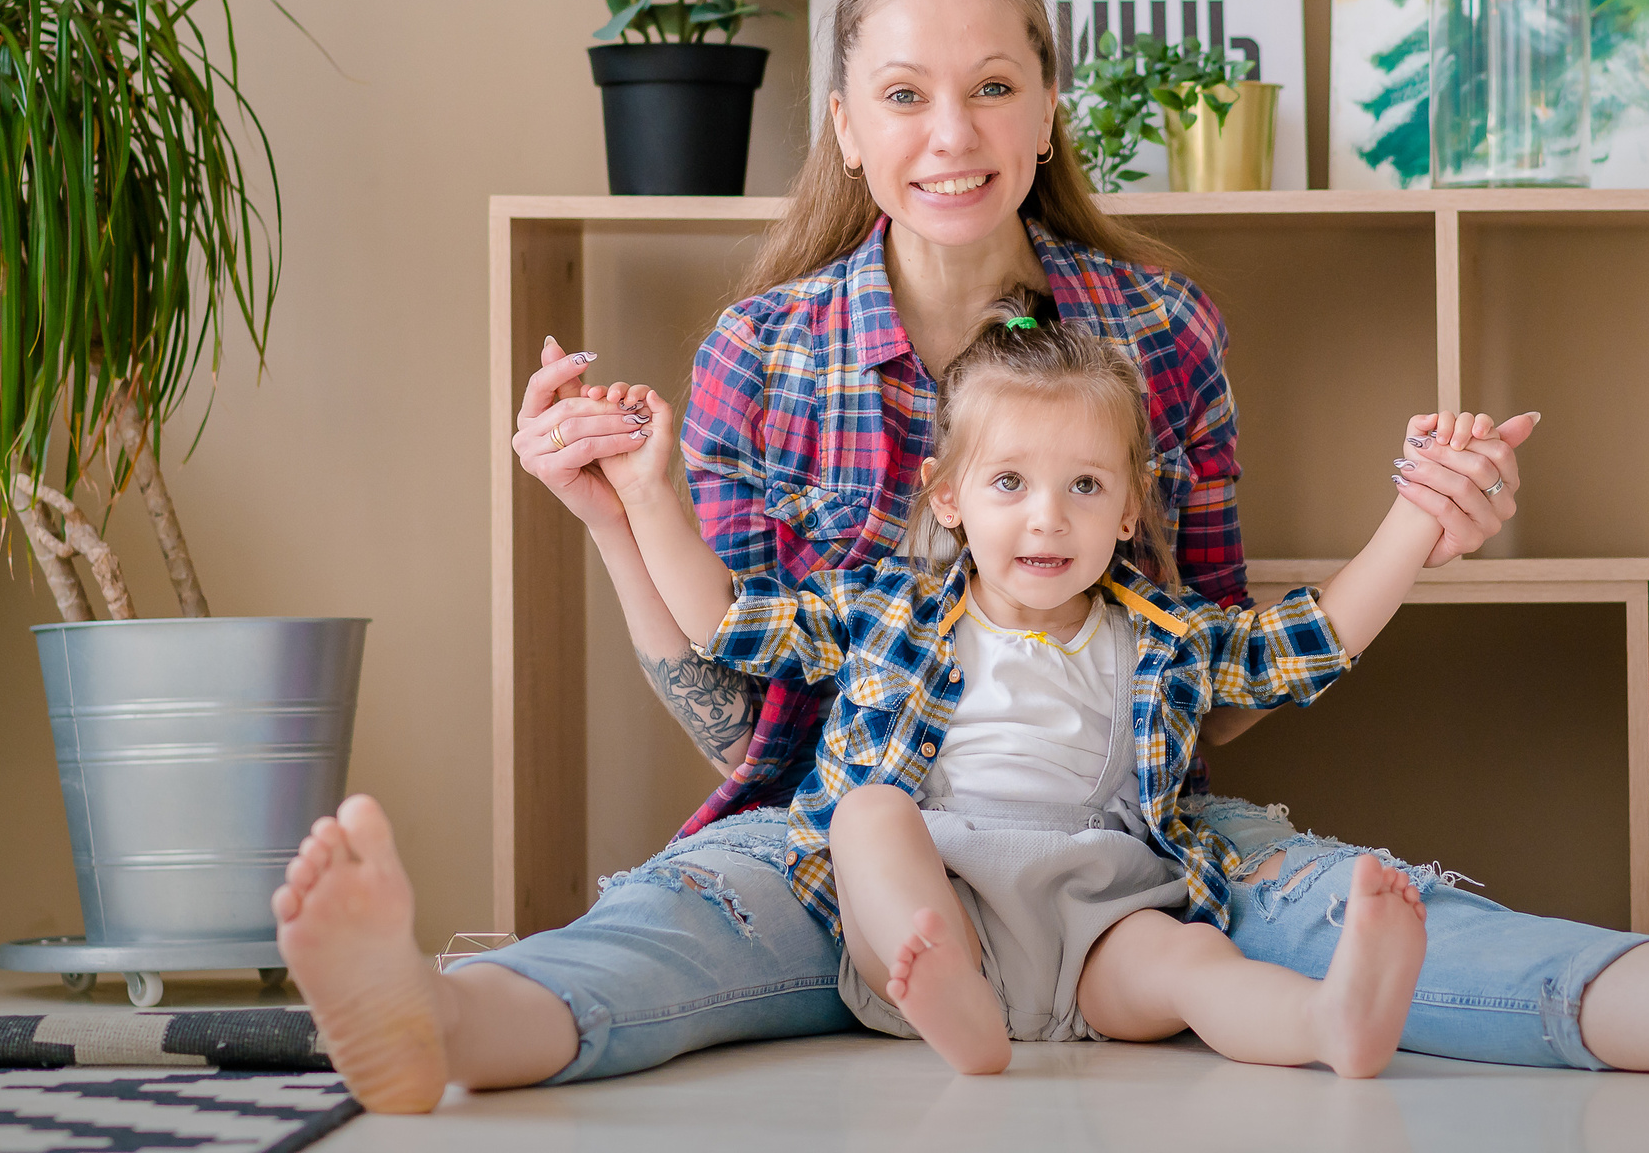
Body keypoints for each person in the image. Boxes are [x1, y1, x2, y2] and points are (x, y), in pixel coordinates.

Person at [274, 0, 1649, 1112]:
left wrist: (1414, 524)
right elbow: (735, 705)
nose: (952, 131)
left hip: (1124, 842)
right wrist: (613, 510)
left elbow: (1215, 657)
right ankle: (428, 1013)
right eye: (906, 94)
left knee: (1380, 906)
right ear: (847, 126)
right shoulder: (762, 348)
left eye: (993, 86)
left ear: (1047, 105)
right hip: (834, 840)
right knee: (641, 938)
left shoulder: (1159, 332)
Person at [601, 289, 1471, 1077]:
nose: (1047, 516)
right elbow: (723, 617)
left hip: (1102, 912)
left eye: (1085, 485)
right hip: (943, 903)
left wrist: (1416, 518)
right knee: (868, 815)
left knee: (1193, 967)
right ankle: (954, 997)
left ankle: (1328, 1023)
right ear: (947, 497)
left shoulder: (1163, 637)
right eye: (1010, 482)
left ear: (1129, 508)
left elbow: (1304, 642)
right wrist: (646, 495)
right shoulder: (885, 614)